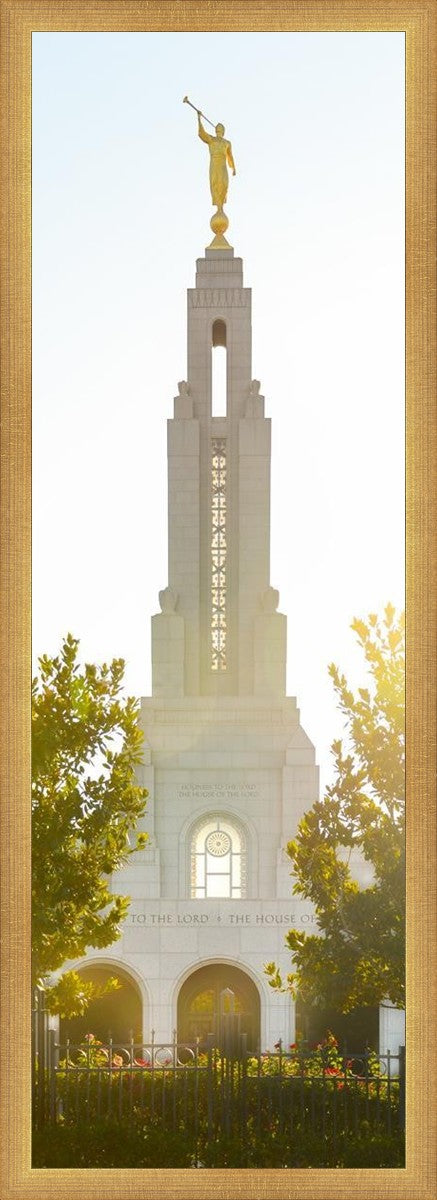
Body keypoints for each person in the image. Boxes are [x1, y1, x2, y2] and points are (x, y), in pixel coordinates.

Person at [197, 113, 236, 208]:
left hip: (222, 164)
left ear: (223, 131)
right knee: (215, 182)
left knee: (224, 183)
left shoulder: (227, 143)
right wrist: (199, 119)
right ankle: (219, 207)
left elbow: (230, 156)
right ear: (216, 130)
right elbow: (202, 134)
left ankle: (221, 205)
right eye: (218, 128)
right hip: (214, 163)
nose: (219, 129)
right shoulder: (212, 140)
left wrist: (233, 168)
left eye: (220, 128)